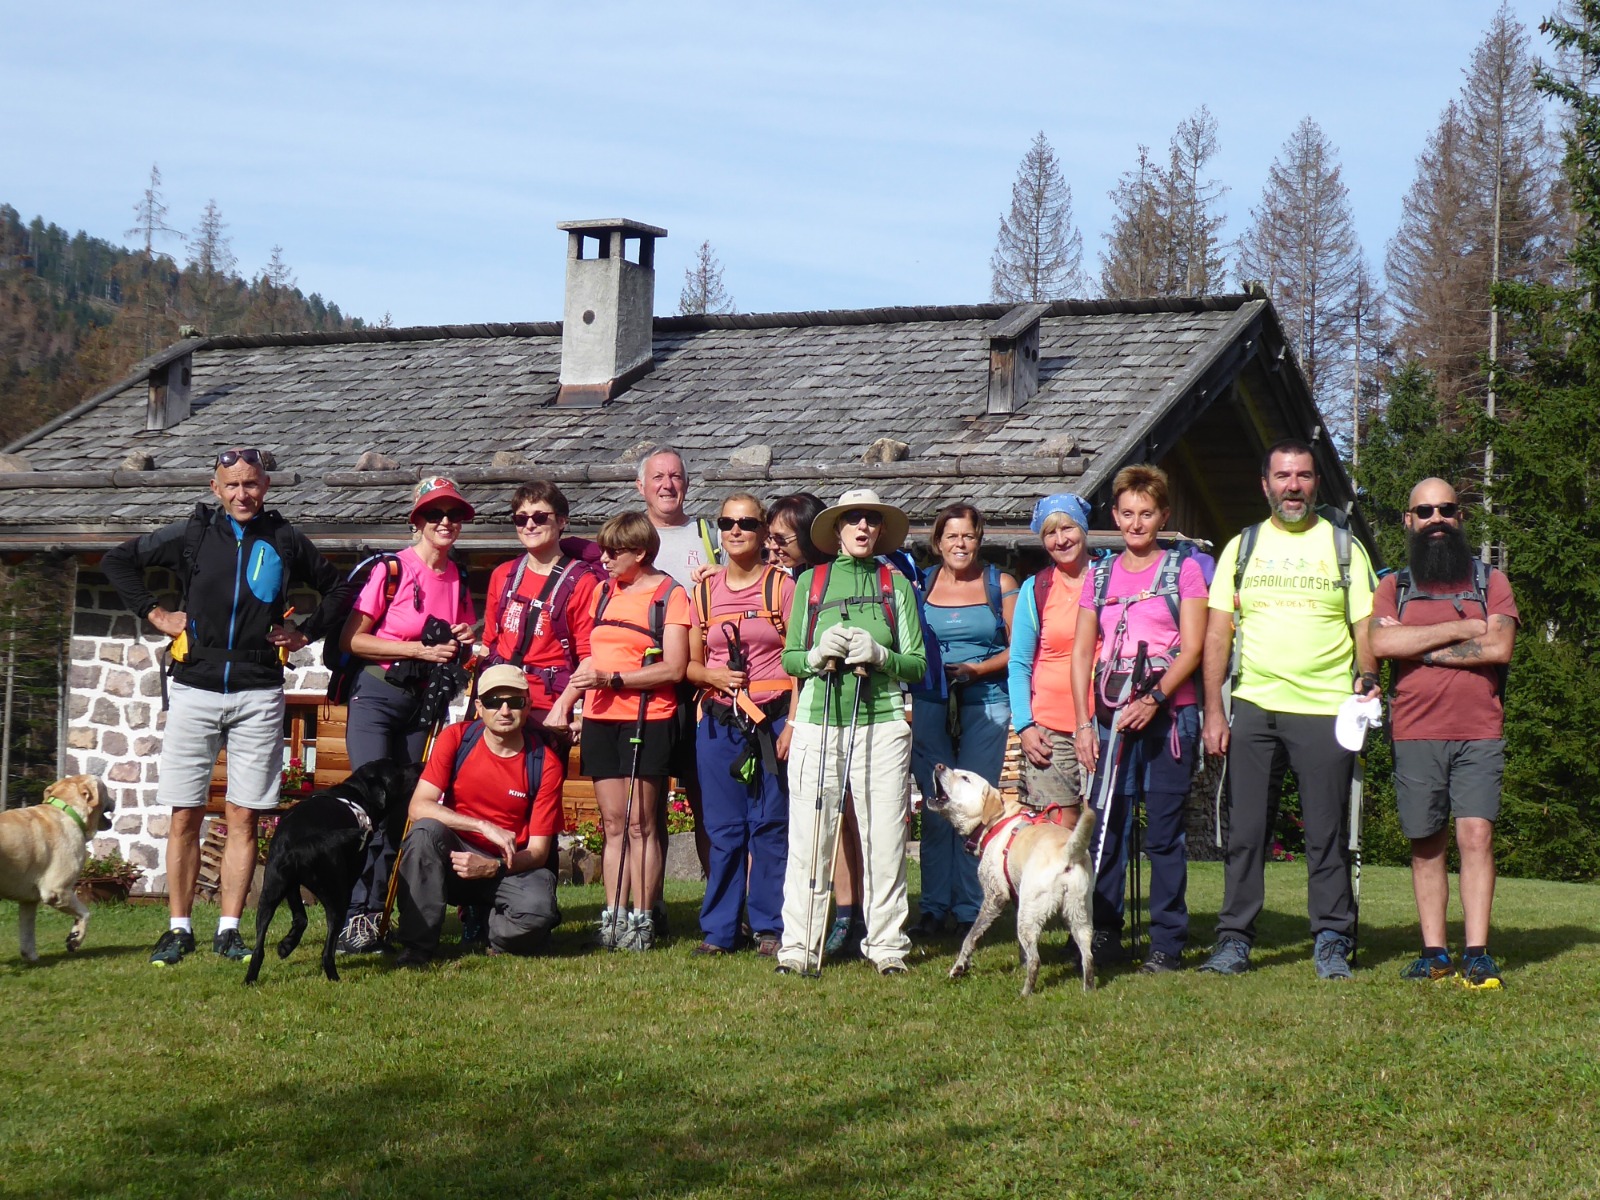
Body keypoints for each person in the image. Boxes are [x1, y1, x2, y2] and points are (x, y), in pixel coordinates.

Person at [100, 446, 347, 965]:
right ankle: (179, 928)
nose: (242, 494)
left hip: (259, 689)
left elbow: (341, 587)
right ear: (215, 488)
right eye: (231, 485)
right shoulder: (192, 535)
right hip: (194, 686)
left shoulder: (284, 539)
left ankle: (230, 930)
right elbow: (117, 560)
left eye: (251, 484)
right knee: (185, 813)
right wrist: (155, 613)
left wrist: (305, 633)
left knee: (244, 816)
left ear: (266, 487)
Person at [1198, 439, 1379, 980]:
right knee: (1246, 832)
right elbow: (1215, 635)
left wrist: (1368, 680)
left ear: (1316, 482)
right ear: (1265, 484)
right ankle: (1234, 941)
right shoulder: (1242, 547)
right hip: (1254, 707)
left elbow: (1365, 626)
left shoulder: (1345, 547)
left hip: (1326, 710)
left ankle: (1331, 940)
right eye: (1282, 476)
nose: (1292, 486)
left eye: (1302, 476)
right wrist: (1214, 709)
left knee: (1327, 834)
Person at [1370, 478, 1518, 989]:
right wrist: (1462, 629)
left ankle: (1476, 952)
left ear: (1461, 519)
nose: (1437, 518)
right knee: (1425, 841)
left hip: (1479, 728)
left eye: (1447, 510)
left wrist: (1421, 648)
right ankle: (1434, 953)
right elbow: (1382, 644)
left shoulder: (1489, 581)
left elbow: (1499, 649)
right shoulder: (1395, 584)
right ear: (1408, 521)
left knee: (1476, 836)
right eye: (1425, 510)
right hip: (1415, 730)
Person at [776, 487, 926, 976]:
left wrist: (881, 656)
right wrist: (818, 656)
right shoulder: (810, 583)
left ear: (880, 529)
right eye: (852, 519)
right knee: (809, 839)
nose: (862, 527)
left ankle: (887, 948)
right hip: (819, 724)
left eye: (871, 520)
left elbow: (918, 666)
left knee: (884, 842)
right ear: (837, 530)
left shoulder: (896, 584)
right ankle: (798, 947)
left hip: (882, 725)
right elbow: (791, 658)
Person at [1070, 466, 1206, 972]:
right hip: (1110, 717)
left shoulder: (1184, 570)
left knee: (1164, 834)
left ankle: (1167, 942)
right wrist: (1085, 723)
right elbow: (1083, 652)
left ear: (1162, 516)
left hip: (1170, 717)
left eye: (1146, 514)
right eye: (1127, 513)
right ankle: (1103, 931)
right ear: (1115, 516)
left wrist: (1153, 699)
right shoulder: (1099, 575)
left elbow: (1192, 647)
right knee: (1107, 826)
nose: (1136, 523)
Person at [336, 475, 478, 954]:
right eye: (435, 514)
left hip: (423, 702)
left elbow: (460, 645)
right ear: (417, 520)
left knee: (404, 812)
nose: (445, 522)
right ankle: (355, 916)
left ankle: (385, 912)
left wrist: (456, 640)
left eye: (454, 515)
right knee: (370, 809)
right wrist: (418, 647)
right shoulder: (393, 568)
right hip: (376, 695)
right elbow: (352, 640)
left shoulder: (455, 576)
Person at [547, 511, 690, 951]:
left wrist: (616, 681)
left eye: (614, 552)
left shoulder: (670, 595)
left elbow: (674, 667)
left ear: (640, 552)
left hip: (648, 717)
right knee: (612, 823)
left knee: (640, 824)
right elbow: (592, 658)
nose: (604, 559)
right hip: (600, 718)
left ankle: (644, 916)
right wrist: (566, 702)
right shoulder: (601, 595)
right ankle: (612, 915)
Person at [394, 665, 564, 966]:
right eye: (493, 701)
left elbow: (538, 852)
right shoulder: (456, 739)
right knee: (424, 833)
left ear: (528, 706)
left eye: (514, 701)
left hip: (507, 865)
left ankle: (491, 929)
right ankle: (417, 947)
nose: (504, 710)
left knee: (538, 913)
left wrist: (493, 867)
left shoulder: (545, 763)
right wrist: (482, 826)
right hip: (455, 858)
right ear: (478, 707)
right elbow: (418, 806)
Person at [687, 493, 796, 956]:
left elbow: (799, 662)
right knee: (723, 827)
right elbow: (689, 664)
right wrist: (712, 675)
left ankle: (770, 926)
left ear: (762, 532)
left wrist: (792, 723)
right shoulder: (703, 591)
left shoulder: (782, 588)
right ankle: (721, 931)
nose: (735, 531)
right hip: (719, 722)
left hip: (772, 721)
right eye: (727, 522)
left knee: (770, 824)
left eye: (746, 523)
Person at [909, 503, 1017, 940]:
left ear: (979, 539)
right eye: (951, 536)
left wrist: (979, 670)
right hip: (932, 702)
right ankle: (934, 907)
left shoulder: (1001, 584)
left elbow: (1021, 647)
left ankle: (972, 906)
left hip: (986, 703)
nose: (960, 544)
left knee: (973, 810)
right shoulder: (921, 585)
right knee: (936, 810)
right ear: (937, 542)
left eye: (968, 536)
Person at [767, 492, 868, 958]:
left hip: (848, 708)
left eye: (782, 539)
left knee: (847, 812)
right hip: (812, 708)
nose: (774, 548)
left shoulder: (826, 583)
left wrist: (790, 720)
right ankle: (827, 912)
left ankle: (852, 913)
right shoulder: (794, 580)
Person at [635, 445, 718, 882]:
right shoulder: (629, 537)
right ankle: (651, 903)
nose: (668, 486)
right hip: (643, 681)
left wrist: (717, 577)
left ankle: (720, 904)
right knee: (646, 801)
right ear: (641, 486)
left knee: (706, 794)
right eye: (658, 478)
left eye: (676, 477)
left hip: (697, 680)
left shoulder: (710, 535)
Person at [1007, 493, 1094, 821]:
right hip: (1050, 730)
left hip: (1104, 723)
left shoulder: (1109, 578)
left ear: (1083, 529)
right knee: (1057, 833)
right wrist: (1026, 726)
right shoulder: (1036, 588)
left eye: (1067, 528)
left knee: (1102, 831)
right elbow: (1019, 663)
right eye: (1050, 533)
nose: (1061, 540)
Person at [481, 480, 600, 718]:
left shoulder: (582, 582)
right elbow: (488, 644)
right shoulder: (503, 575)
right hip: (498, 702)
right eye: (521, 518)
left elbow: (590, 657)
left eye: (540, 517)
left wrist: (562, 708)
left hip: (546, 704)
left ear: (562, 521)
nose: (530, 525)